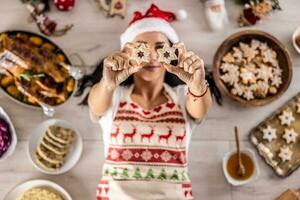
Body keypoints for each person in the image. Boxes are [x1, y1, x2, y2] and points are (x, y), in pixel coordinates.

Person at [87, 4, 212, 200]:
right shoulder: (115, 96)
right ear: (128, 53)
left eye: (161, 49)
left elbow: (200, 111)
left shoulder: (182, 96)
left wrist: (196, 84)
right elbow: (95, 107)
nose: (153, 56)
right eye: (142, 49)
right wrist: (107, 83)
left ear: (173, 55)